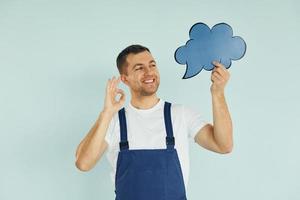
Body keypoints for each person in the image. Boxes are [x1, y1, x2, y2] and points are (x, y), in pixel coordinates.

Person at [75, 44, 233, 200]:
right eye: (139, 68)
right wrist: (107, 113)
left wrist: (217, 93)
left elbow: (223, 145)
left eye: (152, 65)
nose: (149, 72)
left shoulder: (180, 115)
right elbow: (83, 163)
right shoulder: (113, 121)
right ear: (125, 79)